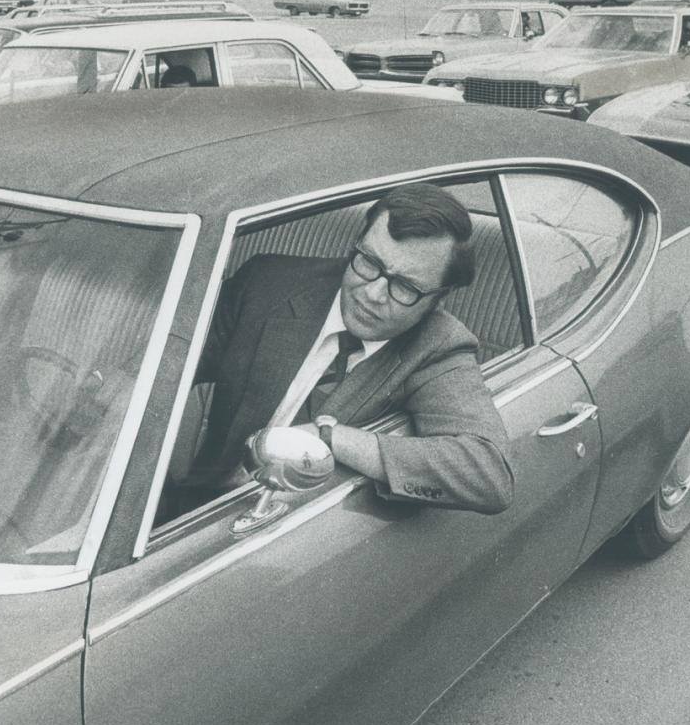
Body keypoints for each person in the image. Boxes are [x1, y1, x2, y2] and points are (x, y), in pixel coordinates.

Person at [179, 184, 514, 516]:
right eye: (369, 262)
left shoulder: (439, 346)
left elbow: (487, 474)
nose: (374, 294)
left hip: (299, 536)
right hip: (195, 511)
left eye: (406, 287)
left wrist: (330, 437)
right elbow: (169, 369)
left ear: (439, 297)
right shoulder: (266, 283)